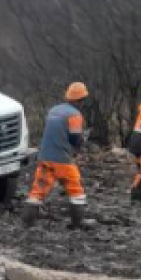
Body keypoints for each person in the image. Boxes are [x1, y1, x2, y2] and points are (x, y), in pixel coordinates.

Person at [23, 82, 90, 229]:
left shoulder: (54, 110)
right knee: (76, 191)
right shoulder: (74, 115)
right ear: (81, 100)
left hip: (45, 157)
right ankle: (78, 223)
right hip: (62, 160)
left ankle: (27, 223)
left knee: (38, 191)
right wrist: (82, 142)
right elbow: (75, 139)